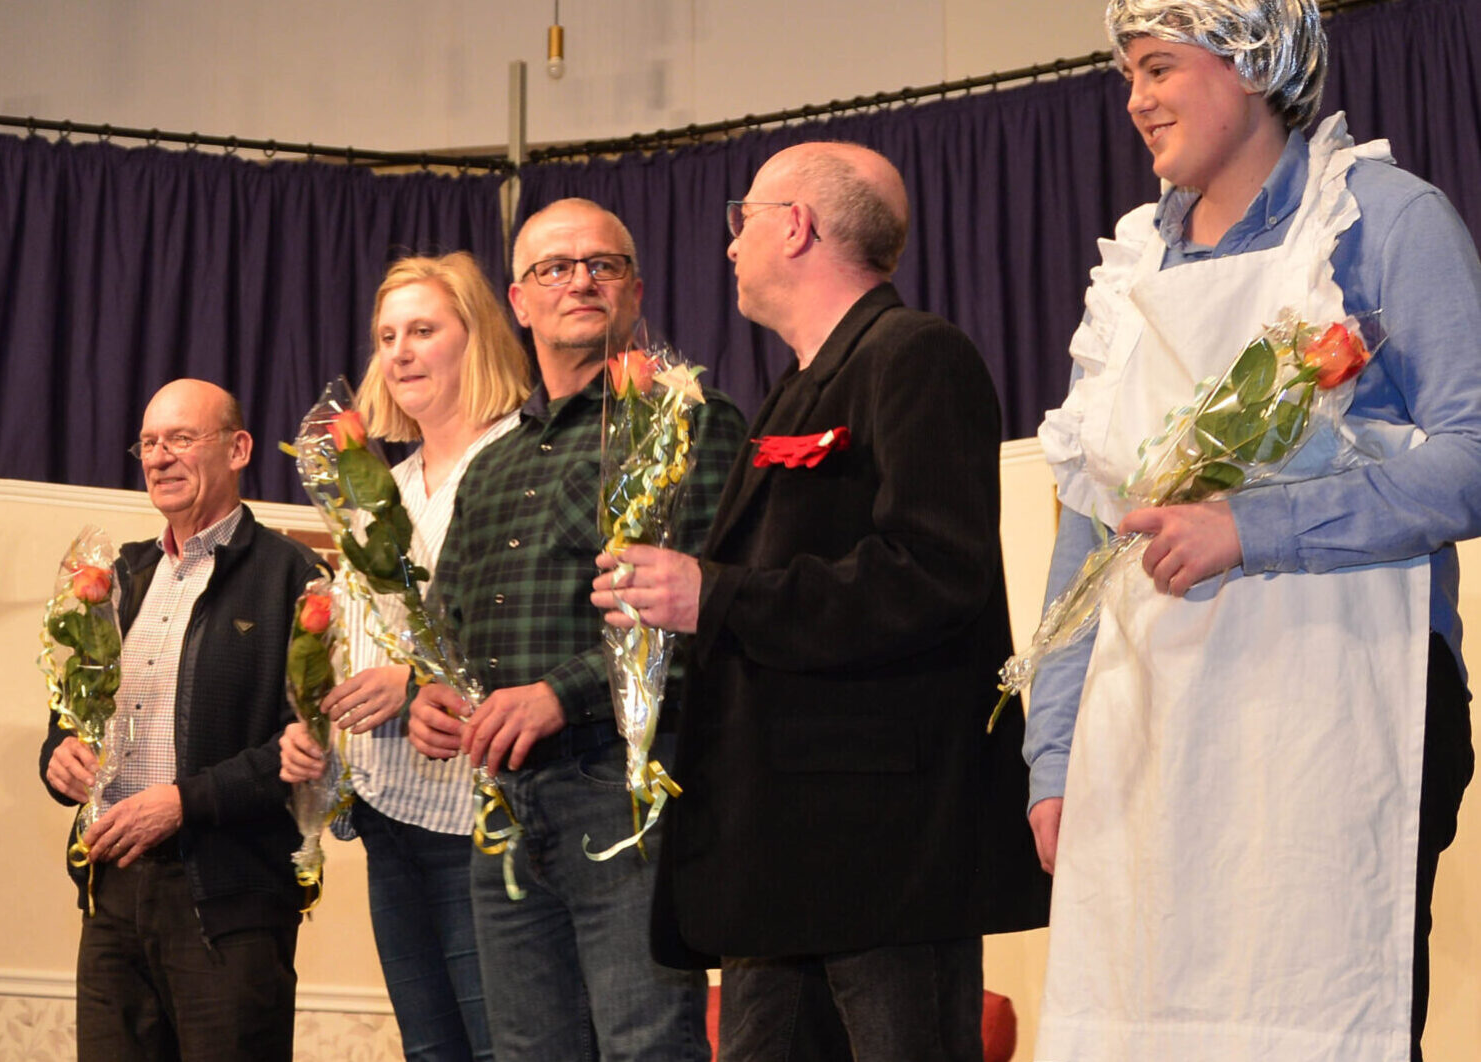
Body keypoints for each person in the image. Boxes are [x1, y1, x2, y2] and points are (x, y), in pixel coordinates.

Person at [1024, 2, 1481, 1059]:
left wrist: (1255, 527)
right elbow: (1088, 531)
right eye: (1127, 75)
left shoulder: (1381, 220)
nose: (1135, 100)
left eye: (1157, 68)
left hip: (1344, 708)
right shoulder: (1134, 264)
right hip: (1153, 736)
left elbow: (1471, 453)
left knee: (1317, 1018)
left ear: (1250, 62)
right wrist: (1054, 759)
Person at [592, 142, 1050, 1061]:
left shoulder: (915, 355)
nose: (729, 245)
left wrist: (710, 593)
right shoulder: (793, 389)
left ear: (795, 226)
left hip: (880, 848)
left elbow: (931, 575)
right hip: (781, 850)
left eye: (743, 218)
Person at [406, 199, 746, 1061]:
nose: (581, 281)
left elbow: (708, 614)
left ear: (635, 289)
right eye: (555, 268)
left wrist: (560, 695)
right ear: (518, 302)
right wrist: (431, 697)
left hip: (624, 792)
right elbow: (449, 626)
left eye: (603, 264)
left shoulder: (690, 422)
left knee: (647, 1047)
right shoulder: (493, 462)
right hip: (501, 805)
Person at [277, 251, 530, 1061]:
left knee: (500, 1046)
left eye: (423, 330)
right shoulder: (382, 482)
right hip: (391, 812)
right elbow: (360, 637)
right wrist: (315, 723)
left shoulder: (519, 460)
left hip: (488, 811)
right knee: (433, 1051)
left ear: (478, 340)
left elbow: (526, 623)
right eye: (388, 336)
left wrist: (417, 678)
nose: (401, 352)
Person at [40, 378, 320, 1061]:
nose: (160, 457)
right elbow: (71, 706)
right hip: (113, 892)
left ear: (238, 448)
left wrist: (182, 802)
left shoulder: (294, 575)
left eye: (181, 439)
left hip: (229, 903)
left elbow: (307, 750)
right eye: (149, 442)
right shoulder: (115, 577)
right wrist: (59, 751)